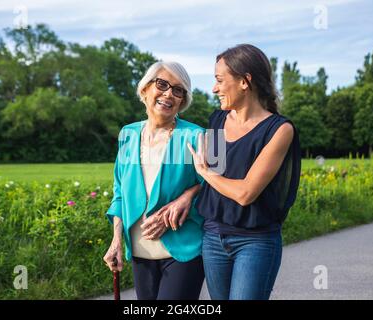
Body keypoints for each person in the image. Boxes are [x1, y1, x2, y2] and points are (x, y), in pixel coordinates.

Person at [188, 44, 301, 300]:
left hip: (256, 242)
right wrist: (189, 195)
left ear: (244, 81)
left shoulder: (279, 130)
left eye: (219, 80)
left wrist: (204, 172)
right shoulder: (217, 120)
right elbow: (214, 181)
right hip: (213, 237)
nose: (214, 88)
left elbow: (245, 193)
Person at [103, 61, 205, 300]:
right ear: (145, 89)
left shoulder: (196, 135)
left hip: (183, 252)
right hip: (139, 254)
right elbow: (120, 193)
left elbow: (218, 188)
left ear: (182, 100)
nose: (169, 93)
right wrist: (116, 240)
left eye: (178, 90)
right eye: (162, 84)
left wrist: (187, 197)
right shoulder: (128, 134)